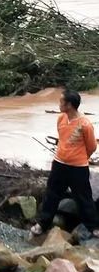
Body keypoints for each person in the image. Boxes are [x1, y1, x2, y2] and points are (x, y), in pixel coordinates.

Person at [31, 90, 99, 239]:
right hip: (59, 164)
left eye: (61, 102)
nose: (59, 104)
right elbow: (62, 138)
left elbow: (92, 146)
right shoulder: (61, 118)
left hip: (78, 168)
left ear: (69, 105)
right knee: (51, 193)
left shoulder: (85, 124)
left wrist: (80, 158)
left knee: (83, 197)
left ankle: (93, 226)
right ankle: (43, 223)